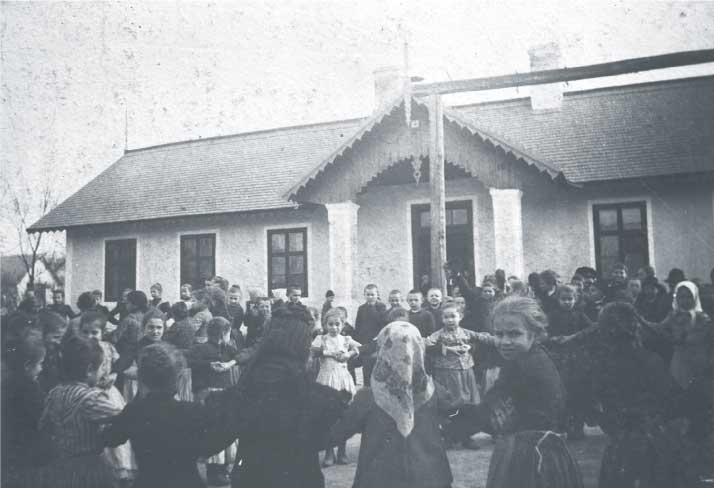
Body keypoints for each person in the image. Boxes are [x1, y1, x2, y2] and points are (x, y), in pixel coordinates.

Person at [444, 296, 584, 488]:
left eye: (514, 334)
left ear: (534, 333)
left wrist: (443, 412)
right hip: (543, 448)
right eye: (499, 334)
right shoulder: (532, 356)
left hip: (530, 456)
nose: (504, 341)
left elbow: (488, 414)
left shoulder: (523, 366)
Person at [221, 306, 349, 488]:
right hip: (299, 479)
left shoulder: (248, 384)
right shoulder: (312, 394)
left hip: (252, 478)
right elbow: (329, 435)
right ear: (301, 343)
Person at [326, 321, 453, 488]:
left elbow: (339, 432)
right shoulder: (434, 391)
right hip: (430, 476)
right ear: (418, 350)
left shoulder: (368, 397)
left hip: (379, 478)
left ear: (383, 352)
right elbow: (455, 418)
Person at [103, 343, 235, 488]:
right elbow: (219, 438)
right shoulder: (192, 411)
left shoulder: (134, 410)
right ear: (178, 378)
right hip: (188, 482)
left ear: (141, 377)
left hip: (148, 482)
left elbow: (111, 437)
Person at [592, 301, 690, 488]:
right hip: (653, 437)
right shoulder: (650, 359)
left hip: (622, 441)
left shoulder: (603, 363)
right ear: (635, 328)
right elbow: (672, 398)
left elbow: (600, 405)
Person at [641, 281, 714, 478]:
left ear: (695, 298)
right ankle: (682, 449)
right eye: (680, 296)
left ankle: (700, 451)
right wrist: (642, 322)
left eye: (688, 296)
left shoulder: (704, 319)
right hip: (679, 363)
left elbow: (702, 340)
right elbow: (659, 330)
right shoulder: (673, 317)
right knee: (679, 399)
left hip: (699, 365)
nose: (684, 300)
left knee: (699, 405)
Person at [39, 335, 121, 488]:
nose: (102, 372)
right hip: (88, 467)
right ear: (90, 370)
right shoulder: (91, 398)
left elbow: (44, 426)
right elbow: (121, 417)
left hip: (60, 466)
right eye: (101, 367)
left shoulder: (54, 392)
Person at [79, 312, 136, 485]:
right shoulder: (79, 350)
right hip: (89, 393)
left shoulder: (108, 348)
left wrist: (114, 373)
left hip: (108, 394)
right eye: (85, 332)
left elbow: (120, 365)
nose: (90, 336)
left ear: (102, 332)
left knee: (114, 428)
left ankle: (120, 470)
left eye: (94, 332)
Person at [425, 302, 490, 449]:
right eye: (446, 317)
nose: (450, 320)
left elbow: (481, 337)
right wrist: (447, 349)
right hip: (447, 373)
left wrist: (472, 346)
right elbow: (427, 344)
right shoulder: (439, 334)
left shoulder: (466, 332)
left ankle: (466, 436)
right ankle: (449, 436)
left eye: (453, 316)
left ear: (460, 317)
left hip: (466, 372)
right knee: (450, 405)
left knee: (468, 404)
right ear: (442, 319)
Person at [187, 317, 240, 485]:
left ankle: (223, 468)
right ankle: (214, 471)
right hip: (207, 395)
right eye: (228, 333)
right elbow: (189, 361)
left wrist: (232, 362)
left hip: (223, 395)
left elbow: (243, 355)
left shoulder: (229, 349)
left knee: (223, 430)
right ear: (223, 333)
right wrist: (209, 365)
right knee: (213, 430)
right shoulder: (200, 349)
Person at [311, 308, 361, 466]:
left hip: (342, 379)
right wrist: (329, 353)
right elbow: (312, 351)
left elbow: (359, 348)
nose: (334, 327)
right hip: (326, 378)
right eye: (330, 324)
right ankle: (329, 452)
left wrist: (349, 354)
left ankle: (342, 451)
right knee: (327, 416)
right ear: (325, 325)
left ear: (343, 325)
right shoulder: (321, 338)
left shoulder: (346, 339)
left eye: (337, 324)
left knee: (343, 415)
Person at [544, 285, 594, 439]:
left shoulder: (579, 315)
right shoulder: (552, 315)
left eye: (570, 299)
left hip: (577, 358)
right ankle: (561, 427)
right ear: (558, 300)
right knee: (560, 391)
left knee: (578, 391)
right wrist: (552, 338)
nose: (567, 302)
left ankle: (578, 428)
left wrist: (573, 337)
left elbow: (592, 328)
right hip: (558, 358)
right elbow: (543, 332)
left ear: (575, 299)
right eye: (563, 299)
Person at [1, 330, 48, 488]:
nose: (41, 369)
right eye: (41, 363)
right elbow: (41, 418)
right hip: (28, 452)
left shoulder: (6, 382)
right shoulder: (30, 389)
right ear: (28, 365)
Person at [112, 290, 148, 393]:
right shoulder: (146, 318)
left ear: (134, 305)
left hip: (127, 357)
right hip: (141, 356)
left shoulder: (128, 319)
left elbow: (115, 338)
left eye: (127, 302)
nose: (126, 305)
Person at [354, 284, 388, 386]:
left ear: (377, 295)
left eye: (372, 294)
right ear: (364, 295)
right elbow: (358, 324)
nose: (370, 297)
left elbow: (383, 323)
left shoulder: (381, 307)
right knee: (366, 365)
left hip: (376, 341)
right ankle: (366, 387)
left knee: (375, 365)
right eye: (368, 294)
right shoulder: (361, 308)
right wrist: (358, 339)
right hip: (364, 340)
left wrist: (373, 307)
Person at [37, 309, 68, 393]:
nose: (59, 342)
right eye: (56, 337)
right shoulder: (37, 356)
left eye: (62, 338)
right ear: (42, 334)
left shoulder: (56, 350)